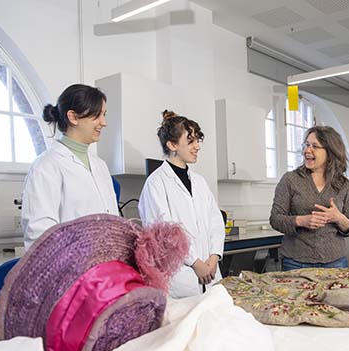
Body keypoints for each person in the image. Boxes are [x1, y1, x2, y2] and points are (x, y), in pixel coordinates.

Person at [138, 111, 225, 298]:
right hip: (181, 279)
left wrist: (214, 257)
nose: (197, 147)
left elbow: (216, 221)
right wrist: (196, 263)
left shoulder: (200, 181)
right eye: (191, 141)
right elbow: (163, 234)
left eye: (197, 141)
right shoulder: (156, 183)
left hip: (210, 274)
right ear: (172, 145)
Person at [21, 84, 119, 250]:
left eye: (104, 115)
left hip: (105, 265)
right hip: (70, 270)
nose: (104, 123)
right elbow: (40, 234)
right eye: (97, 115)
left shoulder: (100, 165)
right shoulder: (46, 166)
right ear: (73, 117)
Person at [270, 126, 349, 271]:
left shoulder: (343, 184)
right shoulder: (290, 180)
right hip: (296, 262)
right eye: (306, 145)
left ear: (330, 152)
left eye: (314, 146)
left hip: (335, 263)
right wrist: (301, 221)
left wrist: (338, 218)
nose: (307, 150)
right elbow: (275, 219)